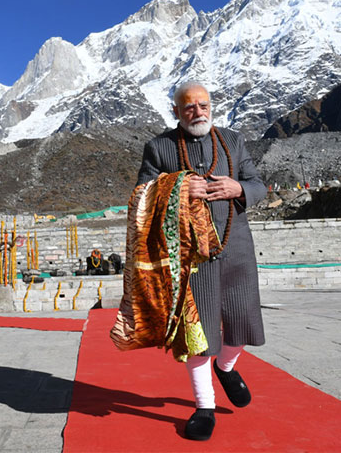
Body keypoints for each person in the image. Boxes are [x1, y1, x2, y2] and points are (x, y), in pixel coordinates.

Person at [136, 82, 267, 441]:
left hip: (237, 246)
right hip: (191, 256)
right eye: (189, 107)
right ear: (176, 111)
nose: (198, 112)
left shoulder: (233, 141)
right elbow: (142, 194)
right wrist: (177, 187)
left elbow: (258, 184)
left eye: (203, 105)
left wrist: (239, 189)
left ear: (211, 106)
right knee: (198, 332)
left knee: (243, 322)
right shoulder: (159, 147)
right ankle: (204, 407)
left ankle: (226, 367)